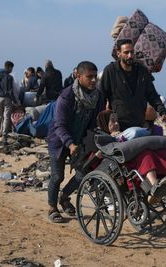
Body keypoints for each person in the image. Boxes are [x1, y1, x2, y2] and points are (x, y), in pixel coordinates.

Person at [96, 109, 166, 203]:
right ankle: (153, 187)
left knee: (163, 152)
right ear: (105, 124)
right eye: (112, 121)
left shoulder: (124, 133)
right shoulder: (106, 139)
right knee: (146, 154)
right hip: (127, 168)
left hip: (140, 165)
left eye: (116, 120)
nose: (116, 123)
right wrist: (116, 138)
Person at [47, 61, 103, 223]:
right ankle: (52, 207)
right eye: (89, 77)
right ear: (78, 76)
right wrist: (70, 144)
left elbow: (94, 123)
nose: (93, 80)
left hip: (79, 142)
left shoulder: (97, 97)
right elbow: (59, 125)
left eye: (95, 77)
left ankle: (64, 197)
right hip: (59, 141)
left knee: (82, 173)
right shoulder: (67, 96)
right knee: (57, 176)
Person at [100, 39, 166, 131]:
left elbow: (152, 95)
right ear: (119, 54)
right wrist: (102, 121)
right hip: (117, 124)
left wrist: (163, 113)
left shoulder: (142, 71)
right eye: (126, 52)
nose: (130, 56)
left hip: (139, 122)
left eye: (132, 52)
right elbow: (101, 96)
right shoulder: (110, 71)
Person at [0, 61, 20, 141]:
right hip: (7, 98)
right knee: (6, 117)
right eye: (11, 68)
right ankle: (4, 134)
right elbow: (11, 91)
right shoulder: (9, 77)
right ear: (9, 67)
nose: (12, 70)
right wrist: (15, 101)